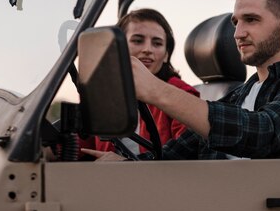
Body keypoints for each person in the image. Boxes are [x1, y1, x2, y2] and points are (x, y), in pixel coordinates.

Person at [95, 0, 280, 160]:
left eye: (251, 20)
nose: (237, 33)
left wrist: (156, 90)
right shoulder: (238, 95)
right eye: (236, 22)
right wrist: (127, 164)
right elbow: (176, 152)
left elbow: (263, 133)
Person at [82, 8, 199, 159]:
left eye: (157, 43)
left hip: (157, 181)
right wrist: (49, 148)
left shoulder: (181, 93)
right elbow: (81, 142)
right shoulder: (103, 95)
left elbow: (188, 153)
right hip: (106, 178)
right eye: (138, 40)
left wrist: (126, 163)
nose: (147, 49)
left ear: (166, 55)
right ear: (116, 47)